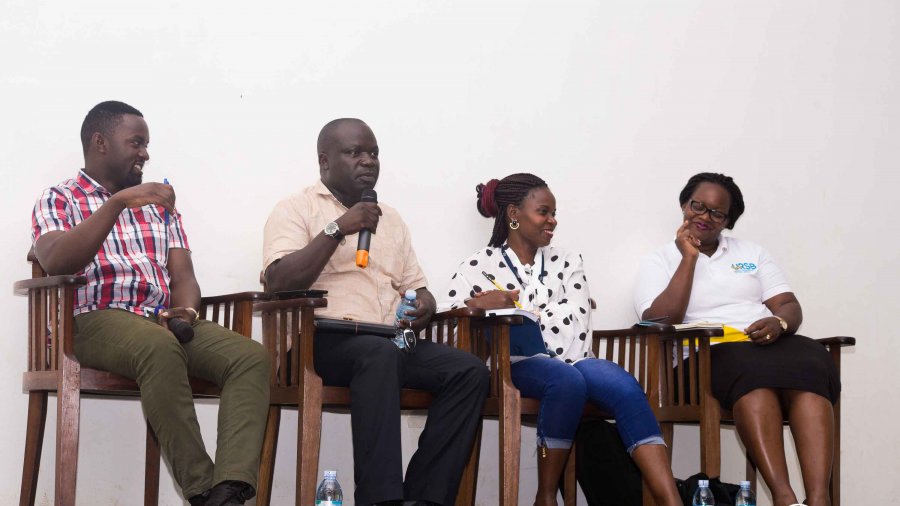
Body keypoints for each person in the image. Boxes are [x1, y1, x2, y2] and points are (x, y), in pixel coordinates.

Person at [30, 101, 270, 506]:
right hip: (90, 321)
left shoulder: (161, 207)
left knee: (250, 357)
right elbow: (57, 260)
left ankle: (229, 488)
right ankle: (201, 488)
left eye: (147, 144)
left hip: (159, 321)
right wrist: (118, 203)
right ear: (100, 142)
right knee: (158, 348)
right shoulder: (59, 198)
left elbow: (184, 278)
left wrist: (188, 310)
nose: (144, 153)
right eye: (136, 142)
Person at [262, 118, 489, 506]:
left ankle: (425, 497)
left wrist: (426, 306)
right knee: (378, 355)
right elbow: (278, 282)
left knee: (468, 372)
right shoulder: (296, 209)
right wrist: (338, 229)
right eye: (355, 152)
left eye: (373, 153)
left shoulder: (392, 219)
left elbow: (418, 287)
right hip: (321, 341)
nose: (368, 161)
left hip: (389, 339)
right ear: (325, 161)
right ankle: (380, 499)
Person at [442, 173, 682, 506]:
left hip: (574, 357)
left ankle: (672, 501)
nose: (552, 221)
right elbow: (454, 329)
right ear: (514, 214)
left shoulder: (568, 261)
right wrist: (477, 305)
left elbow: (578, 319)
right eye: (544, 212)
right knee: (565, 380)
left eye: (554, 213)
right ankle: (545, 496)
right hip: (510, 364)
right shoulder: (477, 265)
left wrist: (525, 312)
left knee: (623, 385)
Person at [634, 172, 840, 506]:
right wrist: (689, 258)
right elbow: (659, 320)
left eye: (717, 213)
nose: (704, 216)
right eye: (697, 206)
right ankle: (785, 499)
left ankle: (819, 501)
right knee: (751, 380)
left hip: (762, 343)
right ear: (684, 205)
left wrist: (778, 322)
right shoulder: (659, 260)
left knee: (813, 361)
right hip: (702, 357)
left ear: (729, 220)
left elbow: (788, 305)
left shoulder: (753, 253)